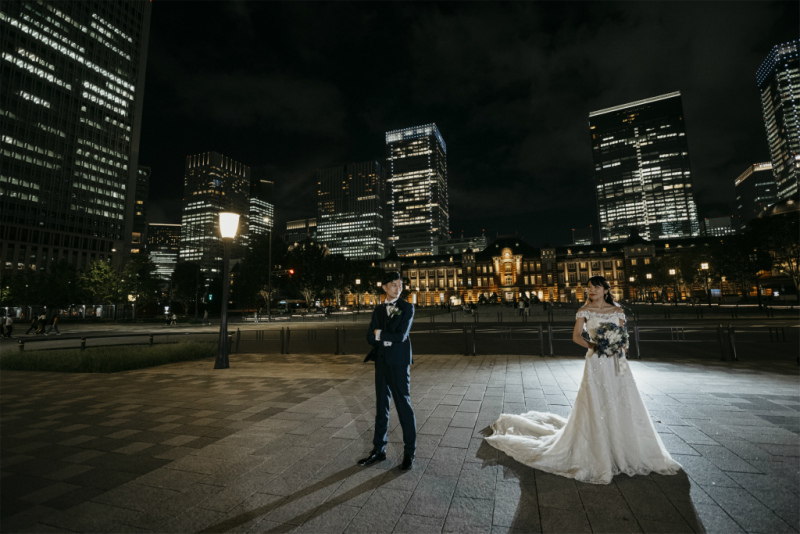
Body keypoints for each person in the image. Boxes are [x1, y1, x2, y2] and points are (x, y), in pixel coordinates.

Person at [485, 275, 681, 484]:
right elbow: (577, 336)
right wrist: (594, 346)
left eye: (596, 287)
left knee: (624, 400)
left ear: (605, 290)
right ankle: (598, 446)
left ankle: (624, 445)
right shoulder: (584, 310)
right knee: (596, 401)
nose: (591, 290)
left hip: (618, 362)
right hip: (596, 361)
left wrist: (623, 363)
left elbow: (624, 340)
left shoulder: (618, 311)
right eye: (589, 287)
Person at [359, 271, 417, 471]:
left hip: (399, 362)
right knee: (381, 407)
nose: (398, 288)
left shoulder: (407, 307)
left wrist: (380, 334)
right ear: (384, 287)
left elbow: (401, 336)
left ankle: (409, 452)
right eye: (393, 284)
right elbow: (369, 336)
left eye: (400, 284)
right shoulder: (378, 310)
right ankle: (378, 450)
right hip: (382, 361)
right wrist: (383, 336)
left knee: (403, 406)